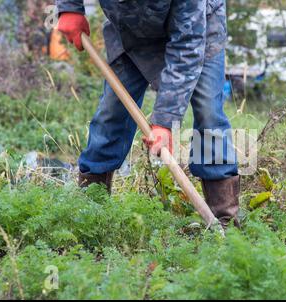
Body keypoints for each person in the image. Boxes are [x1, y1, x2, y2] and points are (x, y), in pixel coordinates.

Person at [56, 0, 240, 228]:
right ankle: (91, 209)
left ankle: (223, 218)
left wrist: (164, 122)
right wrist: (69, 8)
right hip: (130, 35)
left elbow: (186, 47)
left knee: (208, 112)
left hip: (197, 30)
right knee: (111, 113)